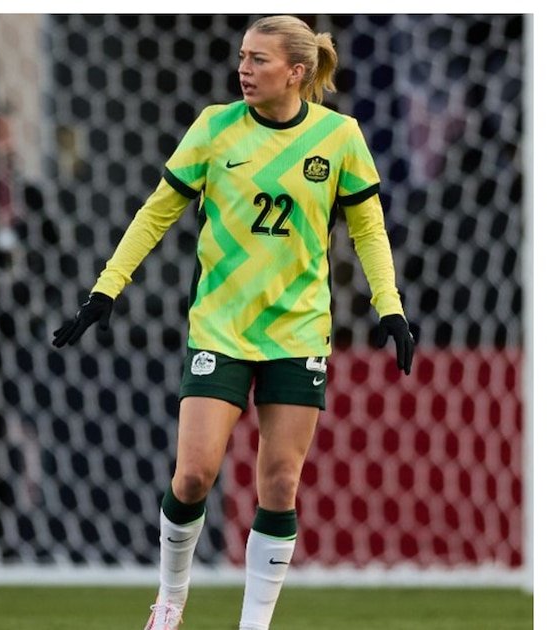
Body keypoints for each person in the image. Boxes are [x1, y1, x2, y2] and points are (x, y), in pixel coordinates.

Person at [52, 15, 414, 630]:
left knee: (279, 483)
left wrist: (390, 305)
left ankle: (254, 624)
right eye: (242, 56)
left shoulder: (339, 136)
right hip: (220, 326)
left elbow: (368, 230)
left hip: (297, 330)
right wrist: (106, 289)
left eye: (259, 60)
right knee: (193, 474)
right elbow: (155, 214)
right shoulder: (215, 128)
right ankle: (169, 603)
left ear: (296, 73)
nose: (244, 69)